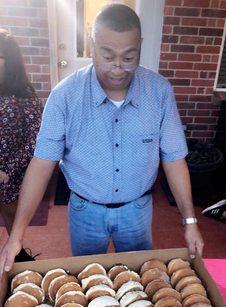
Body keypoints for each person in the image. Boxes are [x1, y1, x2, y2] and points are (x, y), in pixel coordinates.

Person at [0, 4, 203, 276]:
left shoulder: (160, 92)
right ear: (92, 45)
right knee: (87, 283)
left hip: (138, 209)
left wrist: (190, 220)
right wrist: (17, 234)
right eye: (107, 56)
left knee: (139, 281)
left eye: (129, 57)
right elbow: (42, 163)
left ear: (140, 46)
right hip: (85, 210)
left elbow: (174, 159)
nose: (118, 68)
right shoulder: (64, 96)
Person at [0, 29, 42, 262]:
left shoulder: (25, 95)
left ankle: (20, 258)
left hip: (11, 174)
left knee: (12, 220)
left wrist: (7, 171)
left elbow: (35, 140)